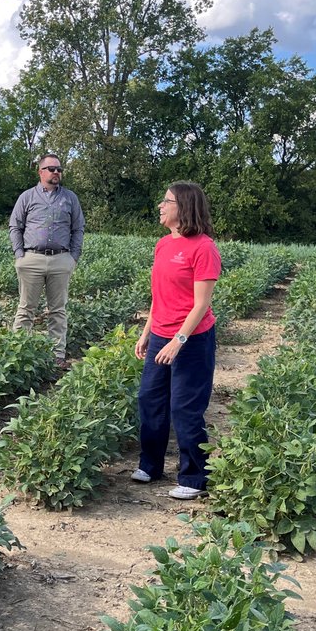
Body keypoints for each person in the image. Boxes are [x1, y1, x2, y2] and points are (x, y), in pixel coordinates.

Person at [132, 181, 221, 500]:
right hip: (160, 335)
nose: (160, 206)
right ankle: (150, 464)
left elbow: (201, 304)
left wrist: (178, 340)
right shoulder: (163, 244)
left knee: (185, 408)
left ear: (183, 207)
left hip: (192, 340)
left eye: (166, 201)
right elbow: (159, 295)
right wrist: (147, 333)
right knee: (149, 399)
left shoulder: (204, 247)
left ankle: (195, 477)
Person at [9, 154, 85, 365]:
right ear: (40, 172)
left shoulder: (70, 198)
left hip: (61, 259)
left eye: (59, 169)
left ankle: (56, 355)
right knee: (26, 309)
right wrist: (19, 255)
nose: (56, 173)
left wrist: (73, 257)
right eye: (51, 169)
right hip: (31, 258)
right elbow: (15, 226)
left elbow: (78, 228)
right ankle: (18, 353)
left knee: (58, 309)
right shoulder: (27, 197)